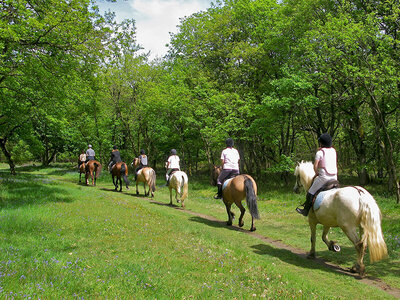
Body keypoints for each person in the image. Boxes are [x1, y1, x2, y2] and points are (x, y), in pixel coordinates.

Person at [296, 133, 338, 216]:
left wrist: (316, 173)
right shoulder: (333, 151)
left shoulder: (320, 153)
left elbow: (315, 167)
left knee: (310, 192)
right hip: (334, 177)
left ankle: (305, 210)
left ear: (321, 143)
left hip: (324, 178)